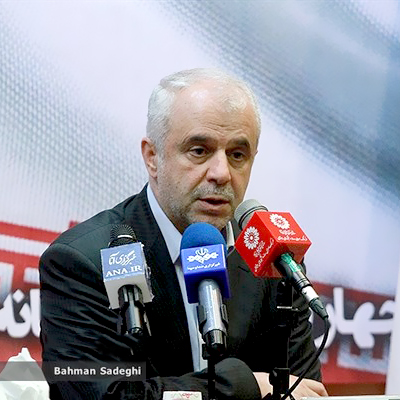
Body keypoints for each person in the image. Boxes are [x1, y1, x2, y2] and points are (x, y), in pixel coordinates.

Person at [40, 68, 328, 399]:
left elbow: (303, 390)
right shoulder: (83, 262)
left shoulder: (271, 257)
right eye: (199, 151)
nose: (221, 173)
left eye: (237, 155)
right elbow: (105, 395)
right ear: (152, 157)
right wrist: (242, 387)